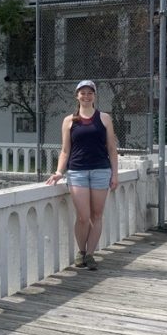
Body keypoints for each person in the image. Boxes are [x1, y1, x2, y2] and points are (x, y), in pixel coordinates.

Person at [45, 80, 119, 270]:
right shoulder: (69, 121)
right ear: (77, 96)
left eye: (90, 93)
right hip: (77, 171)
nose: (86, 96)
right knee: (83, 217)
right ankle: (81, 251)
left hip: (101, 171)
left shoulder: (104, 118)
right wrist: (59, 172)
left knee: (97, 215)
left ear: (94, 96)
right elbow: (65, 150)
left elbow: (111, 148)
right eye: (82, 93)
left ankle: (91, 255)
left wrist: (115, 175)